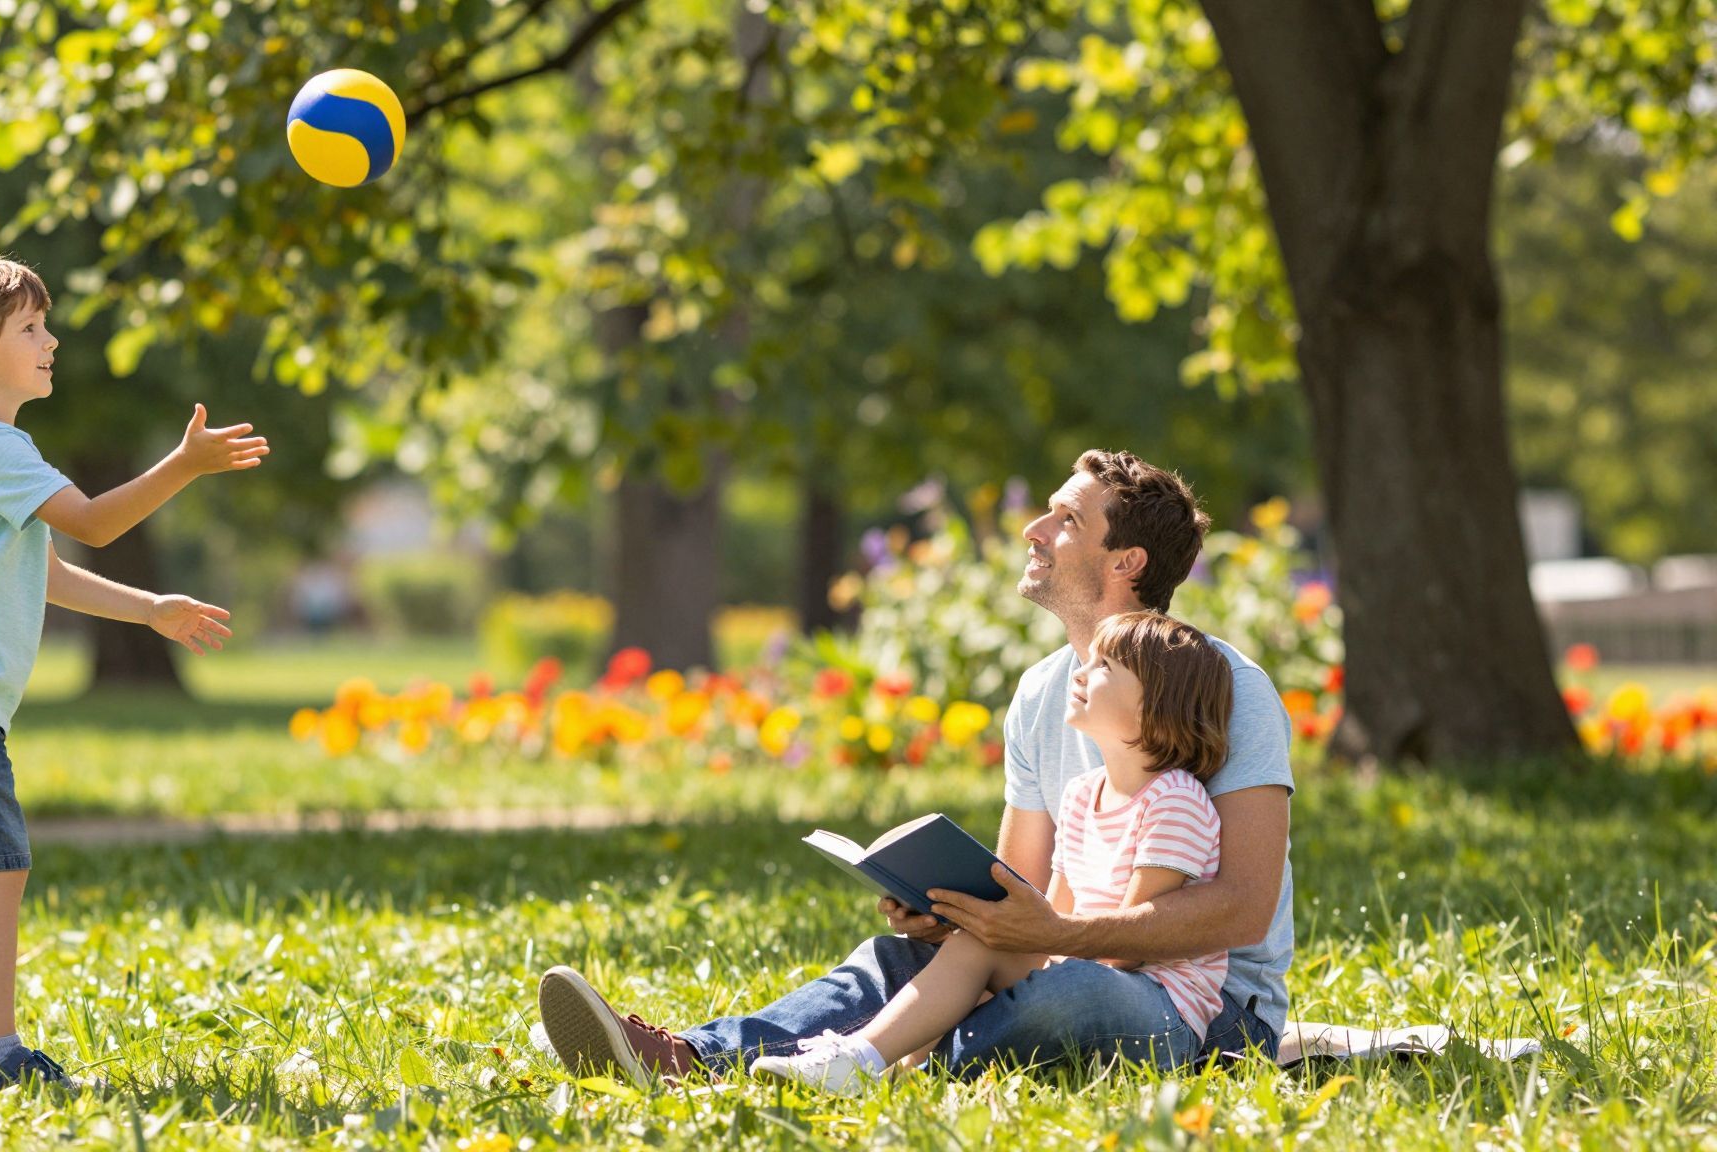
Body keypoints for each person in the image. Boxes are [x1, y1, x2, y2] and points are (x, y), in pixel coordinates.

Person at [536, 449, 1294, 1085]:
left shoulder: (1228, 688)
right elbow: (1021, 890)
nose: (1033, 530)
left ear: (1126, 561)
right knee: (894, 959)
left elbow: (1244, 908)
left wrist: (1054, 930)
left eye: (1065, 520)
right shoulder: (1041, 695)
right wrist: (949, 911)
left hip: (1215, 1014)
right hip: (1075, 958)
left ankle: (893, 1065)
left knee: (1065, 995)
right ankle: (694, 1058)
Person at [0, 254, 270, 1093]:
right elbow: (96, 525)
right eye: (30, 328)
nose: (51, 340)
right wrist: (182, 464)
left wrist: (149, 609)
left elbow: (46, 571)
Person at [748, 611, 1233, 1093]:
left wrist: (1040, 975)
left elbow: (1133, 945)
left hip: (1158, 1008)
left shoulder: (1176, 797)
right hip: (1084, 969)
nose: (1081, 671)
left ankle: (908, 1073)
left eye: (1105, 666)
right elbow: (1055, 918)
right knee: (977, 945)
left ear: (1157, 705)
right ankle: (862, 1061)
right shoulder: (1082, 794)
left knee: (1066, 989)